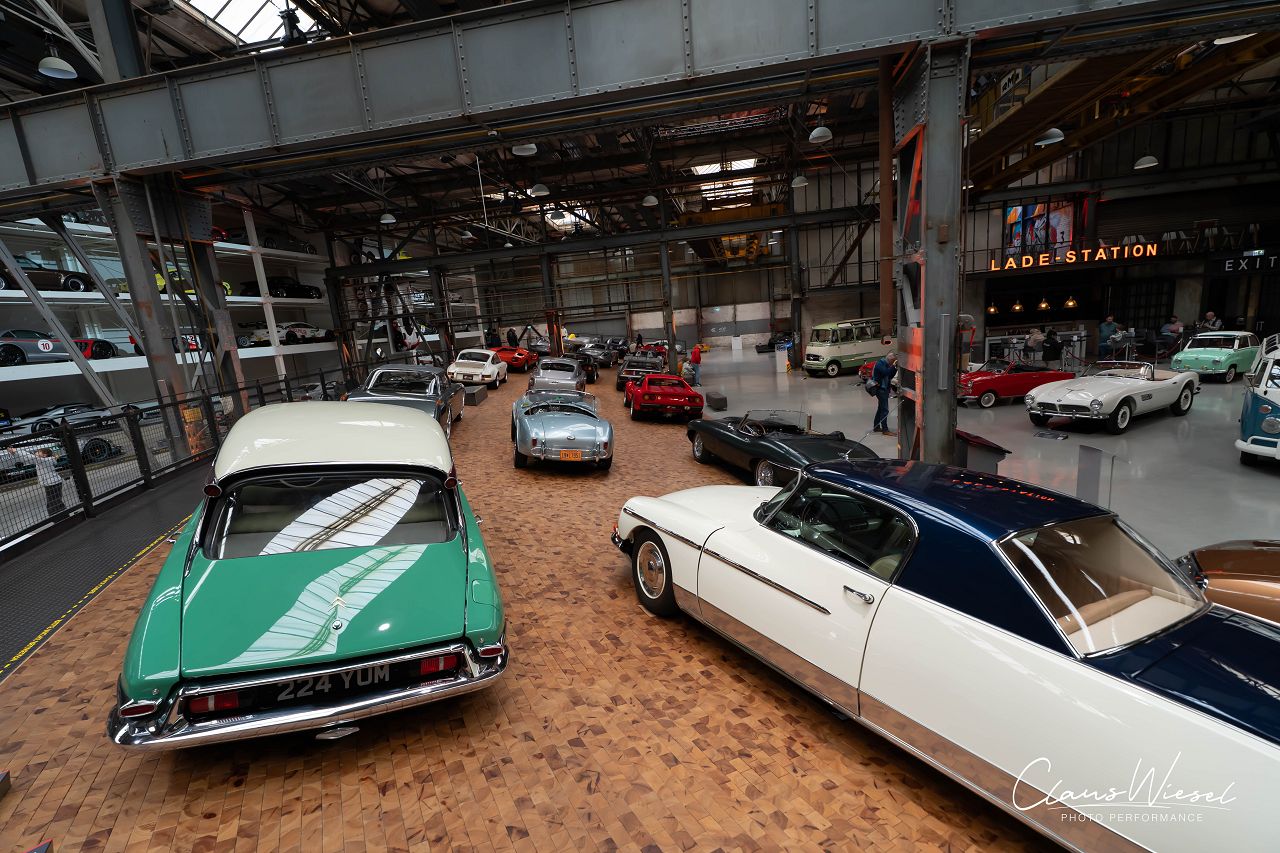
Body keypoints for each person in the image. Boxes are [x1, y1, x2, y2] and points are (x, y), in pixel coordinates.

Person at [7, 445, 66, 517]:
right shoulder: (42, 461)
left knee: (53, 504)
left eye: (39, 452)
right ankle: (62, 516)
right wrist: (14, 453)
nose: (36, 452)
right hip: (51, 483)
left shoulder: (45, 460)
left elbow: (31, 457)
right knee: (55, 502)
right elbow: (26, 459)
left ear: (44, 455)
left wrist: (16, 450)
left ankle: (59, 518)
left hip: (53, 484)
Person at [871, 352, 898, 436]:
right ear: (890, 360)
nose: (891, 364)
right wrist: (894, 366)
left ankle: (876, 427)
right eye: (892, 362)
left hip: (884, 389)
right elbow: (886, 373)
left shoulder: (885, 364)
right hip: (880, 390)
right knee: (885, 410)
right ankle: (885, 430)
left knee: (880, 409)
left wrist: (894, 368)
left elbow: (890, 376)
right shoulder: (880, 364)